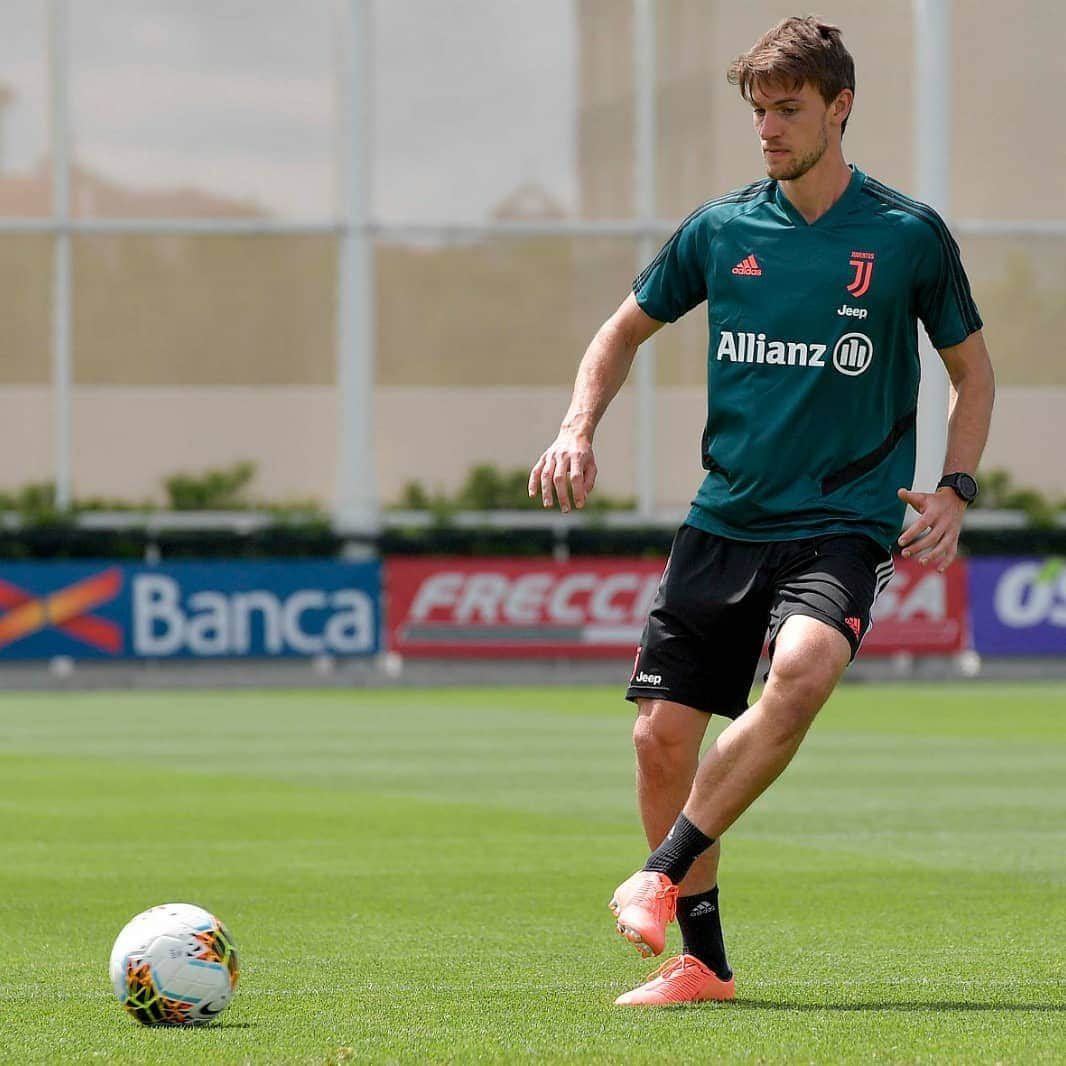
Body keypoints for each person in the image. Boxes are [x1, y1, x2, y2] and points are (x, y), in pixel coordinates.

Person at [528, 16, 995, 1007]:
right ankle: (699, 961)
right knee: (658, 737)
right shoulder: (719, 228)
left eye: (788, 110)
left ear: (839, 107)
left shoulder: (904, 235)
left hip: (841, 520)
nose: (769, 130)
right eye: (758, 113)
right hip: (723, 520)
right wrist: (576, 428)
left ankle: (658, 869)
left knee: (806, 666)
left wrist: (955, 487)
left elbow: (973, 372)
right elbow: (618, 334)